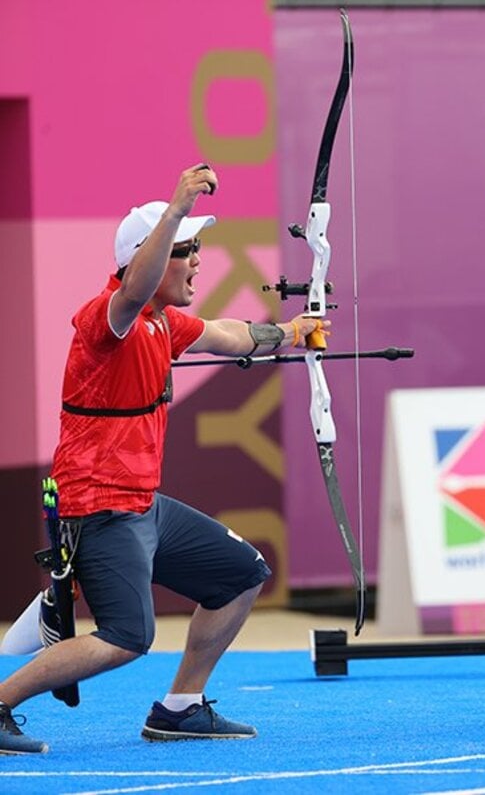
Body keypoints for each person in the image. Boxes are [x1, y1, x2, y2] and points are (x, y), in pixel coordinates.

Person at [0, 165, 327, 755]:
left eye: (197, 248)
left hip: (141, 504)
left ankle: (180, 707)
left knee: (240, 574)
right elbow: (131, 288)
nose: (198, 260)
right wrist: (175, 208)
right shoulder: (109, 319)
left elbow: (228, 334)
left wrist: (291, 332)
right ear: (146, 258)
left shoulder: (163, 323)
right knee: (129, 636)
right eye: (185, 250)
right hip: (98, 506)